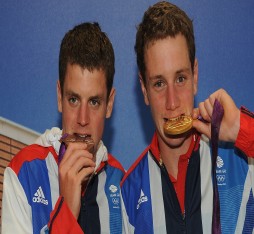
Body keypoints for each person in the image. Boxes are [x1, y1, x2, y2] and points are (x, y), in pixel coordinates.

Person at [120, 2, 254, 233]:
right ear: (144, 90)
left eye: (180, 79)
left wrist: (242, 130)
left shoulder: (242, 163)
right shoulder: (129, 194)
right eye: (159, 83)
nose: (172, 103)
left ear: (195, 75)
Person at [1, 22, 125, 233]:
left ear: (109, 104)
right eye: (74, 100)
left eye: (94, 102)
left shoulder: (121, 183)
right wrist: (65, 210)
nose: (83, 119)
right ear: (60, 97)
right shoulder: (24, 172)